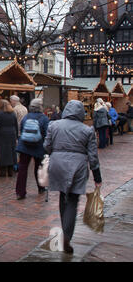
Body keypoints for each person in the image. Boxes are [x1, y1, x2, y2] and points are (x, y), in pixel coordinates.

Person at [44, 100, 102, 254]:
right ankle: (67, 236)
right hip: (78, 166)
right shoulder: (87, 130)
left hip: (57, 163)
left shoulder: (54, 125)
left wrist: (55, 155)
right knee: (73, 200)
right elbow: (93, 156)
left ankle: (65, 231)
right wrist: (97, 176)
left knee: (63, 195)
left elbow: (47, 145)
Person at [15, 98, 49, 200]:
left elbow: (21, 130)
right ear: (40, 107)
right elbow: (47, 134)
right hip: (38, 146)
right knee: (38, 168)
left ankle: (20, 192)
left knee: (22, 169)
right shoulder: (44, 118)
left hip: (24, 146)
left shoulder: (26, 117)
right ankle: (41, 187)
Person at [0, 99, 18, 177]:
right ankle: (10, 172)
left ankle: (3, 172)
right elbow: (16, 125)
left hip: (2, 135)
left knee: (2, 152)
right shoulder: (13, 113)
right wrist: (16, 135)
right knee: (11, 152)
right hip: (12, 134)